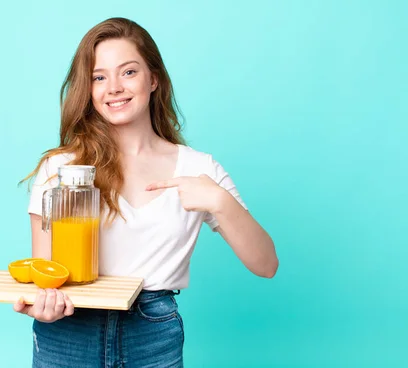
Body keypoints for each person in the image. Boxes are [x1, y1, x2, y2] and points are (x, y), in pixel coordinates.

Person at [14, 17, 278, 367]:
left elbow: (266, 264)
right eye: (99, 77)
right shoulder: (64, 171)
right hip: (69, 333)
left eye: (128, 72)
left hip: (152, 333)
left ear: (153, 79)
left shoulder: (199, 170)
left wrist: (219, 201)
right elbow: (47, 275)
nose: (113, 88)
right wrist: (44, 307)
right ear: (88, 90)